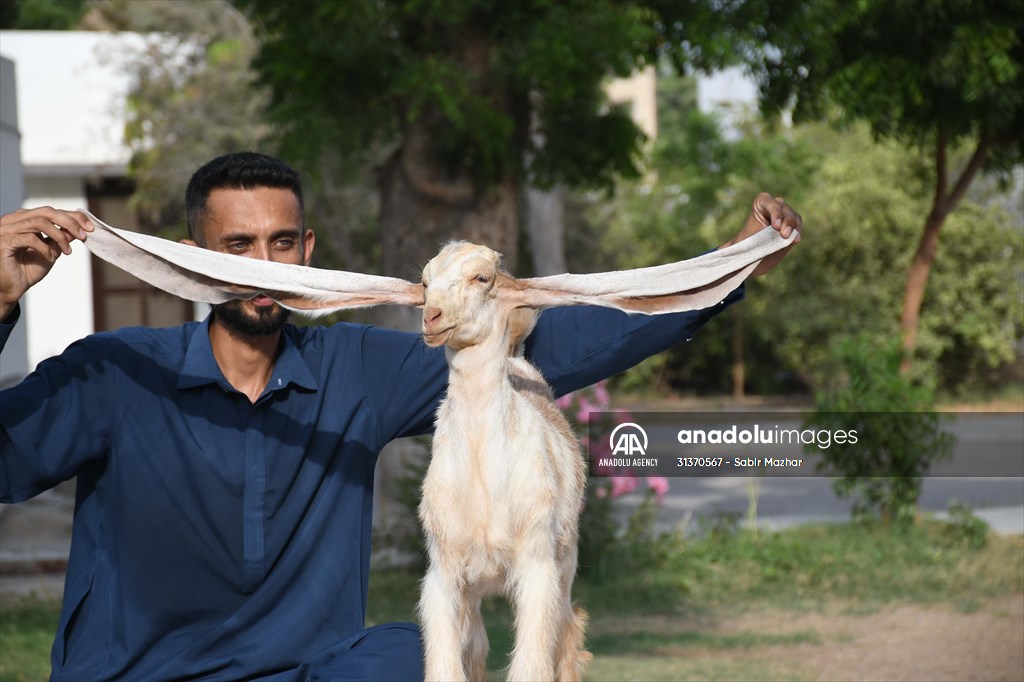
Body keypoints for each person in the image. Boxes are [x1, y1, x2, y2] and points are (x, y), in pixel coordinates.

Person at [0, 152, 802, 681]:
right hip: (138, 674)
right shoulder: (112, 372)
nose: (264, 266)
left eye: (282, 243)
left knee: (427, 652)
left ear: (310, 252)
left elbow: (565, 338)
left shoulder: (355, 371)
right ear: (194, 256)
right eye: (236, 245)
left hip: (304, 673)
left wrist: (725, 267)